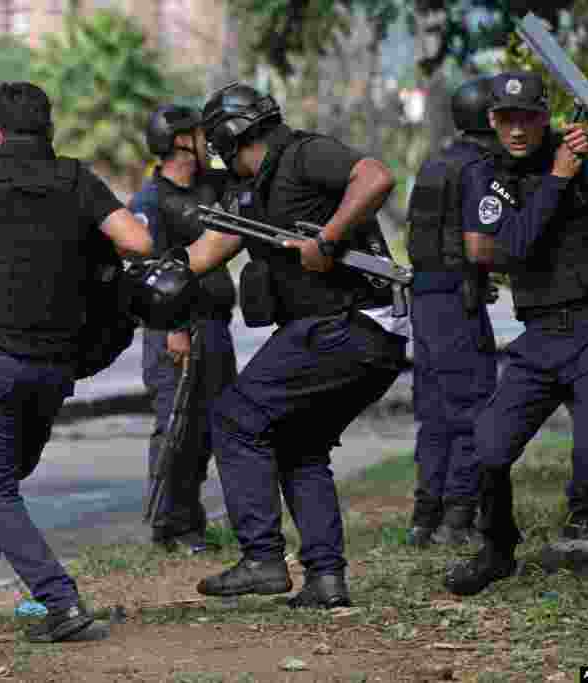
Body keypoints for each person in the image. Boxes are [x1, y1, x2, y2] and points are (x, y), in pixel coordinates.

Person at [0, 82, 153, 640]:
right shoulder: (76, 180)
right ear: (49, 129)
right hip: (52, 369)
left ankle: (60, 602)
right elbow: (138, 242)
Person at [170, 83, 408, 608]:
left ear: (229, 137)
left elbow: (376, 176)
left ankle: (261, 558)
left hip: (345, 325)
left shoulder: (304, 154)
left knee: (234, 417)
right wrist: (157, 270)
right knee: (299, 444)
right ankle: (326, 579)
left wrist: (327, 238)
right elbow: (213, 245)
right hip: (353, 334)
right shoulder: (254, 188)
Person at [442, 72, 588, 596]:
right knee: (489, 446)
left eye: (527, 119)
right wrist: (557, 179)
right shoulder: (487, 176)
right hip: (539, 336)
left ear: (544, 117)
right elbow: (509, 248)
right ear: (492, 120)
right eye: (506, 119)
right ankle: (497, 549)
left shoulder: (585, 155)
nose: (516, 130)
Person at [132, 105, 238, 553]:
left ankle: (190, 522)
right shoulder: (151, 201)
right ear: (180, 141)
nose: (204, 140)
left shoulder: (212, 186)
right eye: (197, 133)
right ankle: (169, 527)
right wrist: (173, 326)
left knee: (211, 428)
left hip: (214, 325)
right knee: (177, 429)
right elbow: (148, 272)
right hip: (175, 331)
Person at [405, 76, 502, 547]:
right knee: (473, 407)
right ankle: (458, 518)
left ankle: (425, 518)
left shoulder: (435, 161)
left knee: (435, 413)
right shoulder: (481, 168)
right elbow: (479, 246)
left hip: (426, 297)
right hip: (457, 300)